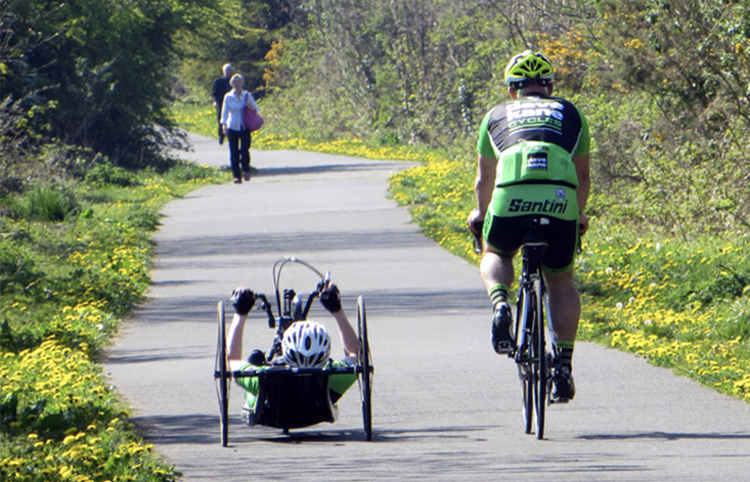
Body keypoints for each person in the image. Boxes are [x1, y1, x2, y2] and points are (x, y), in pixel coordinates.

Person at [466, 50, 591, 403]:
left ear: (512, 91)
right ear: (550, 87)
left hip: (509, 198)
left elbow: (483, 180)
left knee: (497, 251)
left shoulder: (494, 116)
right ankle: (563, 365)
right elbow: (582, 176)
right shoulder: (572, 113)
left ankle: (501, 303)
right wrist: (578, 215)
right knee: (561, 278)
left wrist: (480, 214)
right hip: (559, 200)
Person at [226, 282, 359, 415]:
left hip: (270, 407)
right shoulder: (333, 379)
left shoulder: (261, 379)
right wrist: (336, 309)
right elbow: (356, 355)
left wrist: (240, 313)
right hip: (315, 408)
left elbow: (231, 361)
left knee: (255, 358)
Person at [220, 73, 260, 184]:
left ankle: (246, 169)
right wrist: (224, 125)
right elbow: (225, 112)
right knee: (234, 152)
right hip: (232, 126)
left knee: (244, 150)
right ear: (232, 84)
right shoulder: (228, 96)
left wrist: (249, 106)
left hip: (245, 126)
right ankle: (236, 175)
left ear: (242, 83)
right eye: (235, 82)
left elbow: (257, 110)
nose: (237, 84)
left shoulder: (247, 95)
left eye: (239, 82)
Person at [212, 63, 234, 145]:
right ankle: (221, 135)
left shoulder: (234, 80)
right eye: (226, 70)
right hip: (221, 102)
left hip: (232, 103)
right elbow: (214, 93)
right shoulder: (218, 81)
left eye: (229, 70)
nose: (228, 72)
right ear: (223, 71)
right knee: (221, 119)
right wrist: (215, 101)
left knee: (231, 119)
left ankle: (230, 136)